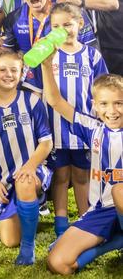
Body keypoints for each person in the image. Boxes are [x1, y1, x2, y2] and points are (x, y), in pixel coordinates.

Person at [0, 50, 53, 266]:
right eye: (2, 69)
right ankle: (19, 213)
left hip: (34, 172)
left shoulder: (32, 101)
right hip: (3, 181)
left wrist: (30, 166)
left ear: (22, 73)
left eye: (14, 70)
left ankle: (28, 250)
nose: (8, 74)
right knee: (9, 240)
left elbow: (46, 143)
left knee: (24, 181)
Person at [42, 60, 123, 275]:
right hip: (101, 210)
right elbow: (55, 100)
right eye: (104, 104)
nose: (112, 110)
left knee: (120, 190)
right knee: (58, 263)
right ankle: (116, 241)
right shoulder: (93, 128)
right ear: (94, 105)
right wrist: (46, 66)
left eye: (119, 103)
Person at [44, 3, 108, 238]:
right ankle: (61, 223)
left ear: (80, 24)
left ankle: (85, 220)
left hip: (84, 128)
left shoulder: (92, 55)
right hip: (55, 127)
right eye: (56, 26)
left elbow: (102, 89)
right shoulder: (48, 55)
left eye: (68, 24)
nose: (63, 30)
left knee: (81, 176)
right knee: (60, 176)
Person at [0, 0, 96, 93]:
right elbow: (8, 54)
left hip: (70, 77)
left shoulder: (68, 11)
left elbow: (91, 50)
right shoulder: (14, 18)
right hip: (33, 83)